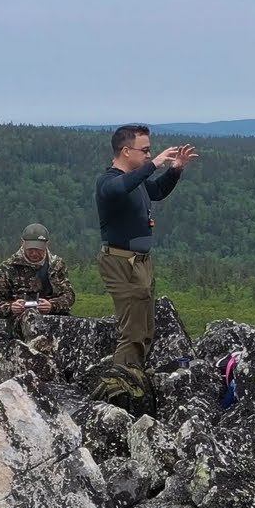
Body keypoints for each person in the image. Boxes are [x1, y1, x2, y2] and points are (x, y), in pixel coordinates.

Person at [93, 124, 199, 414]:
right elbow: (120, 188)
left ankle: (133, 380)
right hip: (121, 262)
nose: (150, 154)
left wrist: (175, 170)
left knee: (146, 327)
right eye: (145, 150)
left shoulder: (136, 181)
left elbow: (157, 191)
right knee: (133, 329)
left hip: (140, 261)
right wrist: (154, 164)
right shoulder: (108, 182)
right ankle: (119, 393)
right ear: (126, 151)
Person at [0, 223, 76, 340]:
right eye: (30, 249)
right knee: (30, 321)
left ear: (47, 244)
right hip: (19, 322)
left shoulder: (56, 265)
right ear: (22, 243)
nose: (34, 253)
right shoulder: (7, 268)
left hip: (52, 317)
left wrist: (52, 305)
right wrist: (11, 307)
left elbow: (69, 296)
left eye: (38, 249)